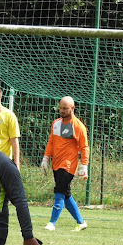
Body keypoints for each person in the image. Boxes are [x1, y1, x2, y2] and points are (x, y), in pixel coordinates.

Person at [41, 96, 89, 232]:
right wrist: (46, 158)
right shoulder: (56, 123)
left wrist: (84, 166)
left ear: (72, 108)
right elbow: (51, 142)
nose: (61, 110)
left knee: (60, 191)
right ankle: (81, 222)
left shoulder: (78, 126)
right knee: (66, 194)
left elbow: (85, 147)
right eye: (60, 108)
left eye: (65, 108)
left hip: (68, 165)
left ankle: (52, 223)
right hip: (56, 164)